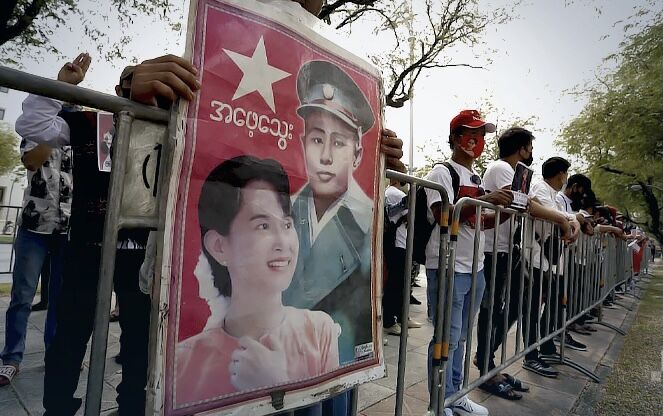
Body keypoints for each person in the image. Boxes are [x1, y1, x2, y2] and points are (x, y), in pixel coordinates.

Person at [15, 54, 152, 416]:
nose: (138, 86)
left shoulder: (166, 128)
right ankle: (57, 408)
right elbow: (32, 125)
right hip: (87, 249)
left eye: (146, 80)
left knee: (139, 343)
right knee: (69, 339)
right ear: (119, 88)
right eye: (130, 79)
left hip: (142, 256)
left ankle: (131, 409)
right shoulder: (94, 122)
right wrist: (62, 85)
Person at [176, 156, 340, 405]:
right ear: (219, 246)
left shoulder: (319, 331)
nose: (283, 242)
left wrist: (277, 386)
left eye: (286, 224)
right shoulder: (183, 361)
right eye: (263, 226)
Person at [474, 127, 579, 396]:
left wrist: (567, 220)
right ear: (521, 148)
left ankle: (489, 361)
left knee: (509, 308)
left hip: (507, 250)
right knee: (493, 310)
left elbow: (527, 204)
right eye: (529, 147)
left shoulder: (511, 170)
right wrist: (562, 221)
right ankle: (486, 366)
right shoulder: (501, 168)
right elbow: (528, 204)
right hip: (494, 249)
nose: (531, 152)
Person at [424, 110, 514, 416]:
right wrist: (487, 202)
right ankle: (438, 403)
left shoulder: (474, 177)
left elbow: (475, 222)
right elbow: (444, 217)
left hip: (475, 267)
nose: (477, 141)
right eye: (470, 133)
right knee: (446, 338)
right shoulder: (441, 173)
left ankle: (454, 395)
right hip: (448, 266)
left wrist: (504, 209)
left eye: (482, 135)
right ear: (455, 138)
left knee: (461, 336)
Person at [0, 139, 71, 387]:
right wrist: (52, 133)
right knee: (22, 296)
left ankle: (54, 352)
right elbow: (31, 161)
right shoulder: (36, 129)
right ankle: (11, 358)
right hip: (34, 226)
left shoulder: (80, 126)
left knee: (60, 298)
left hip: (67, 228)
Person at [521, 157, 586, 378]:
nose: (565, 179)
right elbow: (545, 213)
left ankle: (547, 346)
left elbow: (564, 216)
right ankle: (531, 356)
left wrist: (573, 221)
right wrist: (569, 221)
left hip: (552, 261)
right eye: (565, 174)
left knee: (553, 305)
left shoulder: (554, 194)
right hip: (537, 257)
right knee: (531, 309)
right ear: (560, 173)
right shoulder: (540, 187)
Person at [382, 179, 423, 336]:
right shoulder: (396, 193)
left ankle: (400, 317)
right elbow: (409, 217)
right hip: (399, 243)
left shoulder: (388, 193)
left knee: (398, 284)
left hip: (395, 243)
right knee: (397, 285)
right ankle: (390, 321)